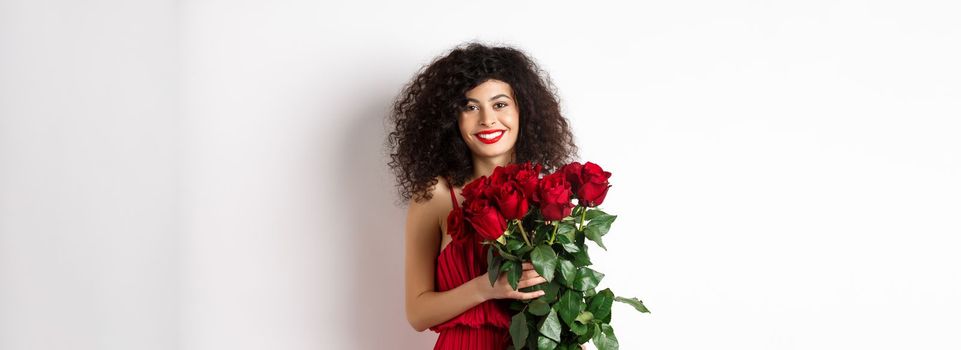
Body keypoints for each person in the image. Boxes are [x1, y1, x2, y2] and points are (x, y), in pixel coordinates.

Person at [387, 42, 579, 349]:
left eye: (500, 104)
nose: (487, 119)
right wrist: (487, 287)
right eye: (470, 107)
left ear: (523, 111)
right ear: (452, 119)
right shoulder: (435, 195)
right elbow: (417, 313)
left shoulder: (549, 196)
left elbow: (567, 307)